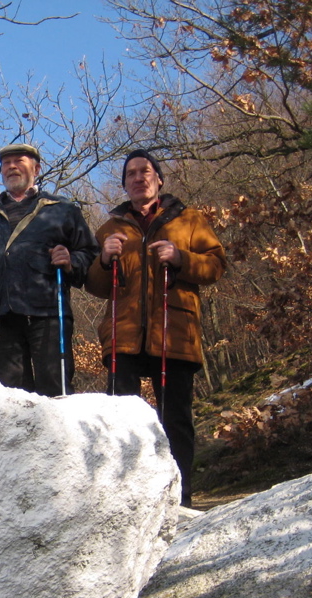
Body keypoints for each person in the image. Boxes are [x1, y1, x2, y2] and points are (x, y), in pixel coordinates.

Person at [84, 149, 227, 507]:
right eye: (130, 173)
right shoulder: (110, 228)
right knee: (120, 420)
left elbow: (216, 266)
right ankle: (127, 498)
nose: (138, 178)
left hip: (174, 333)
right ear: (124, 184)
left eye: (145, 171)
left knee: (175, 419)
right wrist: (103, 259)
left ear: (159, 179)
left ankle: (180, 498)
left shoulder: (190, 219)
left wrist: (181, 258)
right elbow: (95, 285)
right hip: (124, 336)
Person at [0, 143, 98, 397]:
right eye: (6, 163)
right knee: (10, 399)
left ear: (36, 169)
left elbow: (90, 252)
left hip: (48, 313)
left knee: (55, 391)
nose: (12, 166)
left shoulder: (62, 210)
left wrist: (71, 261)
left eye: (19, 161)